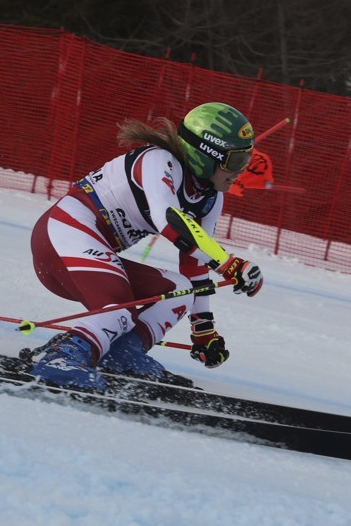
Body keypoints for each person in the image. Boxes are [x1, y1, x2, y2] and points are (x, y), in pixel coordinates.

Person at [28, 102, 265, 391]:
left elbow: (194, 264)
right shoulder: (158, 161)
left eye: (246, 161)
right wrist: (229, 264)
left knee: (180, 291)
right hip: (61, 235)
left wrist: (204, 330)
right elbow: (169, 220)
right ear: (206, 155)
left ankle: (123, 355)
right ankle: (61, 358)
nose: (240, 172)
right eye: (236, 161)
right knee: (117, 309)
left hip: (91, 251)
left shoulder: (210, 197)